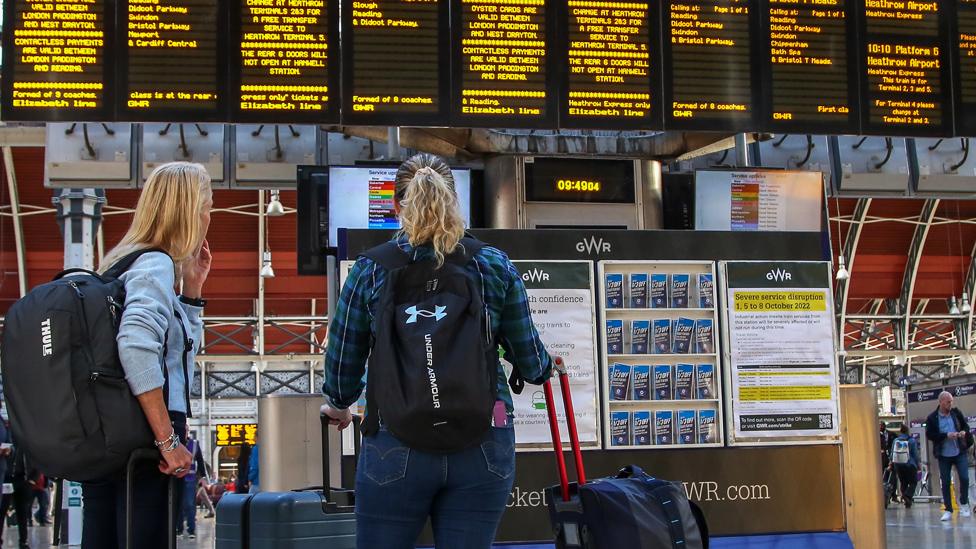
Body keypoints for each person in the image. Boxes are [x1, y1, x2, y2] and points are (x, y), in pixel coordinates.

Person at [321, 153, 553, 548]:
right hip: (483, 439)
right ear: (454, 201)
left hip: (395, 441)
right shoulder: (492, 266)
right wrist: (548, 365)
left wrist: (340, 405)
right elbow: (531, 363)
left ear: (395, 205)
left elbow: (343, 362)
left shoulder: (371, 270)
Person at [79, 162, 212, 549]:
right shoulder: (155, 263)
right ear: (187, 211)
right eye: (207, 206)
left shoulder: (119, 263)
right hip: (144, 437)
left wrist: (191, 293)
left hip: (110, 433)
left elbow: (175, 353)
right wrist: (167, 441)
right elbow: (136, 346)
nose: (209, 216)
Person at [926, 391, 973, 522]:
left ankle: (964, 503)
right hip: (944, 454)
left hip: (959, 451)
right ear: (941, 402)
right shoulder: (932, 418)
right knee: (945, 481)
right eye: (948, 402)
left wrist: (964, 432)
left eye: (951, 401)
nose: (950, 404)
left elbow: (966, 426)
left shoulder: (956, 413)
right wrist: (946, 435)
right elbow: (930, 435)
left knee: (964, 478)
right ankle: (948, 509)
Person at [176, 433, 209, 540]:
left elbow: (200, 460)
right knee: (178, 504)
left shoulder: (194, 444)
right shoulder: (175, 442)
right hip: (176, 478)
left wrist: (203, 476)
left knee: (190, 504)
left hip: (190, 478)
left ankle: (191, 530)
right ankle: (179, 529)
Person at [0, 437, 31, 548]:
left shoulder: (26, 439)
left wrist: (32, 479)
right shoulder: (7, 438)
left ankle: (24, 541)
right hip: (6, 478)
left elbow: (33, 459)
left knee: (22, 512)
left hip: (22, 479)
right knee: (2, 510)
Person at [891, 424, 920, 508]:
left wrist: (891, 463)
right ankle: (907, 496)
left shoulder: (896, 440)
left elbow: (892, 453)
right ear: (907, 431)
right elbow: (915, 454)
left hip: (898, 464)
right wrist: (918, 464)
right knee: (913, 482)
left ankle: (907, 500)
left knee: (903, 482)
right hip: (910, 464)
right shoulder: (912, 440)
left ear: (900, 431)